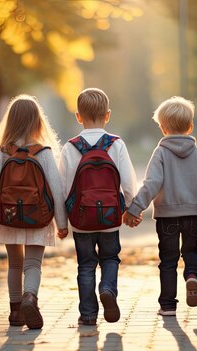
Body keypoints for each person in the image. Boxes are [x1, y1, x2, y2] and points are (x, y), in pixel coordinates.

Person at [0, 95, 68, 330]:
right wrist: (61, 222)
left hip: (8, 217)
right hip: (38, 217)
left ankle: (16, 312)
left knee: (14, 264)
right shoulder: (44, 152)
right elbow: (57, 190)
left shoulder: (1, 152)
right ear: (38, 122)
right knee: (32, 265)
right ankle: (31, 297)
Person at [123, 96, 197, 316]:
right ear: (190, 126)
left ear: (162, 128)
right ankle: (191, 276)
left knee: (168, 259)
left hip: (167, 215)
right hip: (193, 214)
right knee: (191, 252)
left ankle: (168, 305)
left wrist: (134, 209)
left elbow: (152, 183)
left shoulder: (160, 153)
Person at [58, 87, 137, 326]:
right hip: (110, 217)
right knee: (110, 258)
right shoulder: (116, 144)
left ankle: (89, 314)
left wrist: (61, 224)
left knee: (85, 265)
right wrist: (132, 209)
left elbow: (62, 188)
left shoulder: (71, 147)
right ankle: (108, 290)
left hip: (81, 220)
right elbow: (129, 181)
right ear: (108, 115)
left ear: (78, 116)